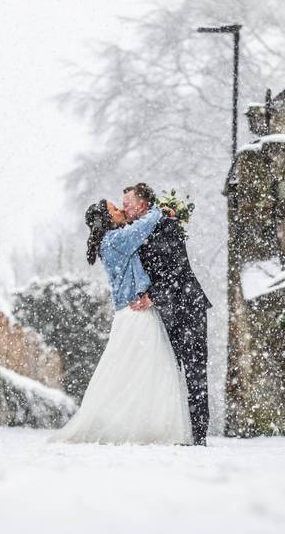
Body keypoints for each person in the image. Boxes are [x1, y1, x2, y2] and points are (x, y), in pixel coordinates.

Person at [49, 199, 192, 445]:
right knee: (145, 368)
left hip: (136, 311)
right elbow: (141, 229)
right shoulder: (114, 241)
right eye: (115, 210)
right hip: (134, 313)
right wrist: (159, 209)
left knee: (145, 369)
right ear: (106, 219)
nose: (121, 211)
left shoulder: (112, 239)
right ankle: (139, 427)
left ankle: (149, 426)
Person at [123, 183, 212, 446]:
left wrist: (153, 295)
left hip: (188, 307)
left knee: (195, 371)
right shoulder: (135, 233)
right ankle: (174, 429)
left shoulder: (168, 226)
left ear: (142, 205)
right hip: (164, 315)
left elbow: (178, 269)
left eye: (127, 202)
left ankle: (198, 436)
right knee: (168, 372)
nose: (124, 207)